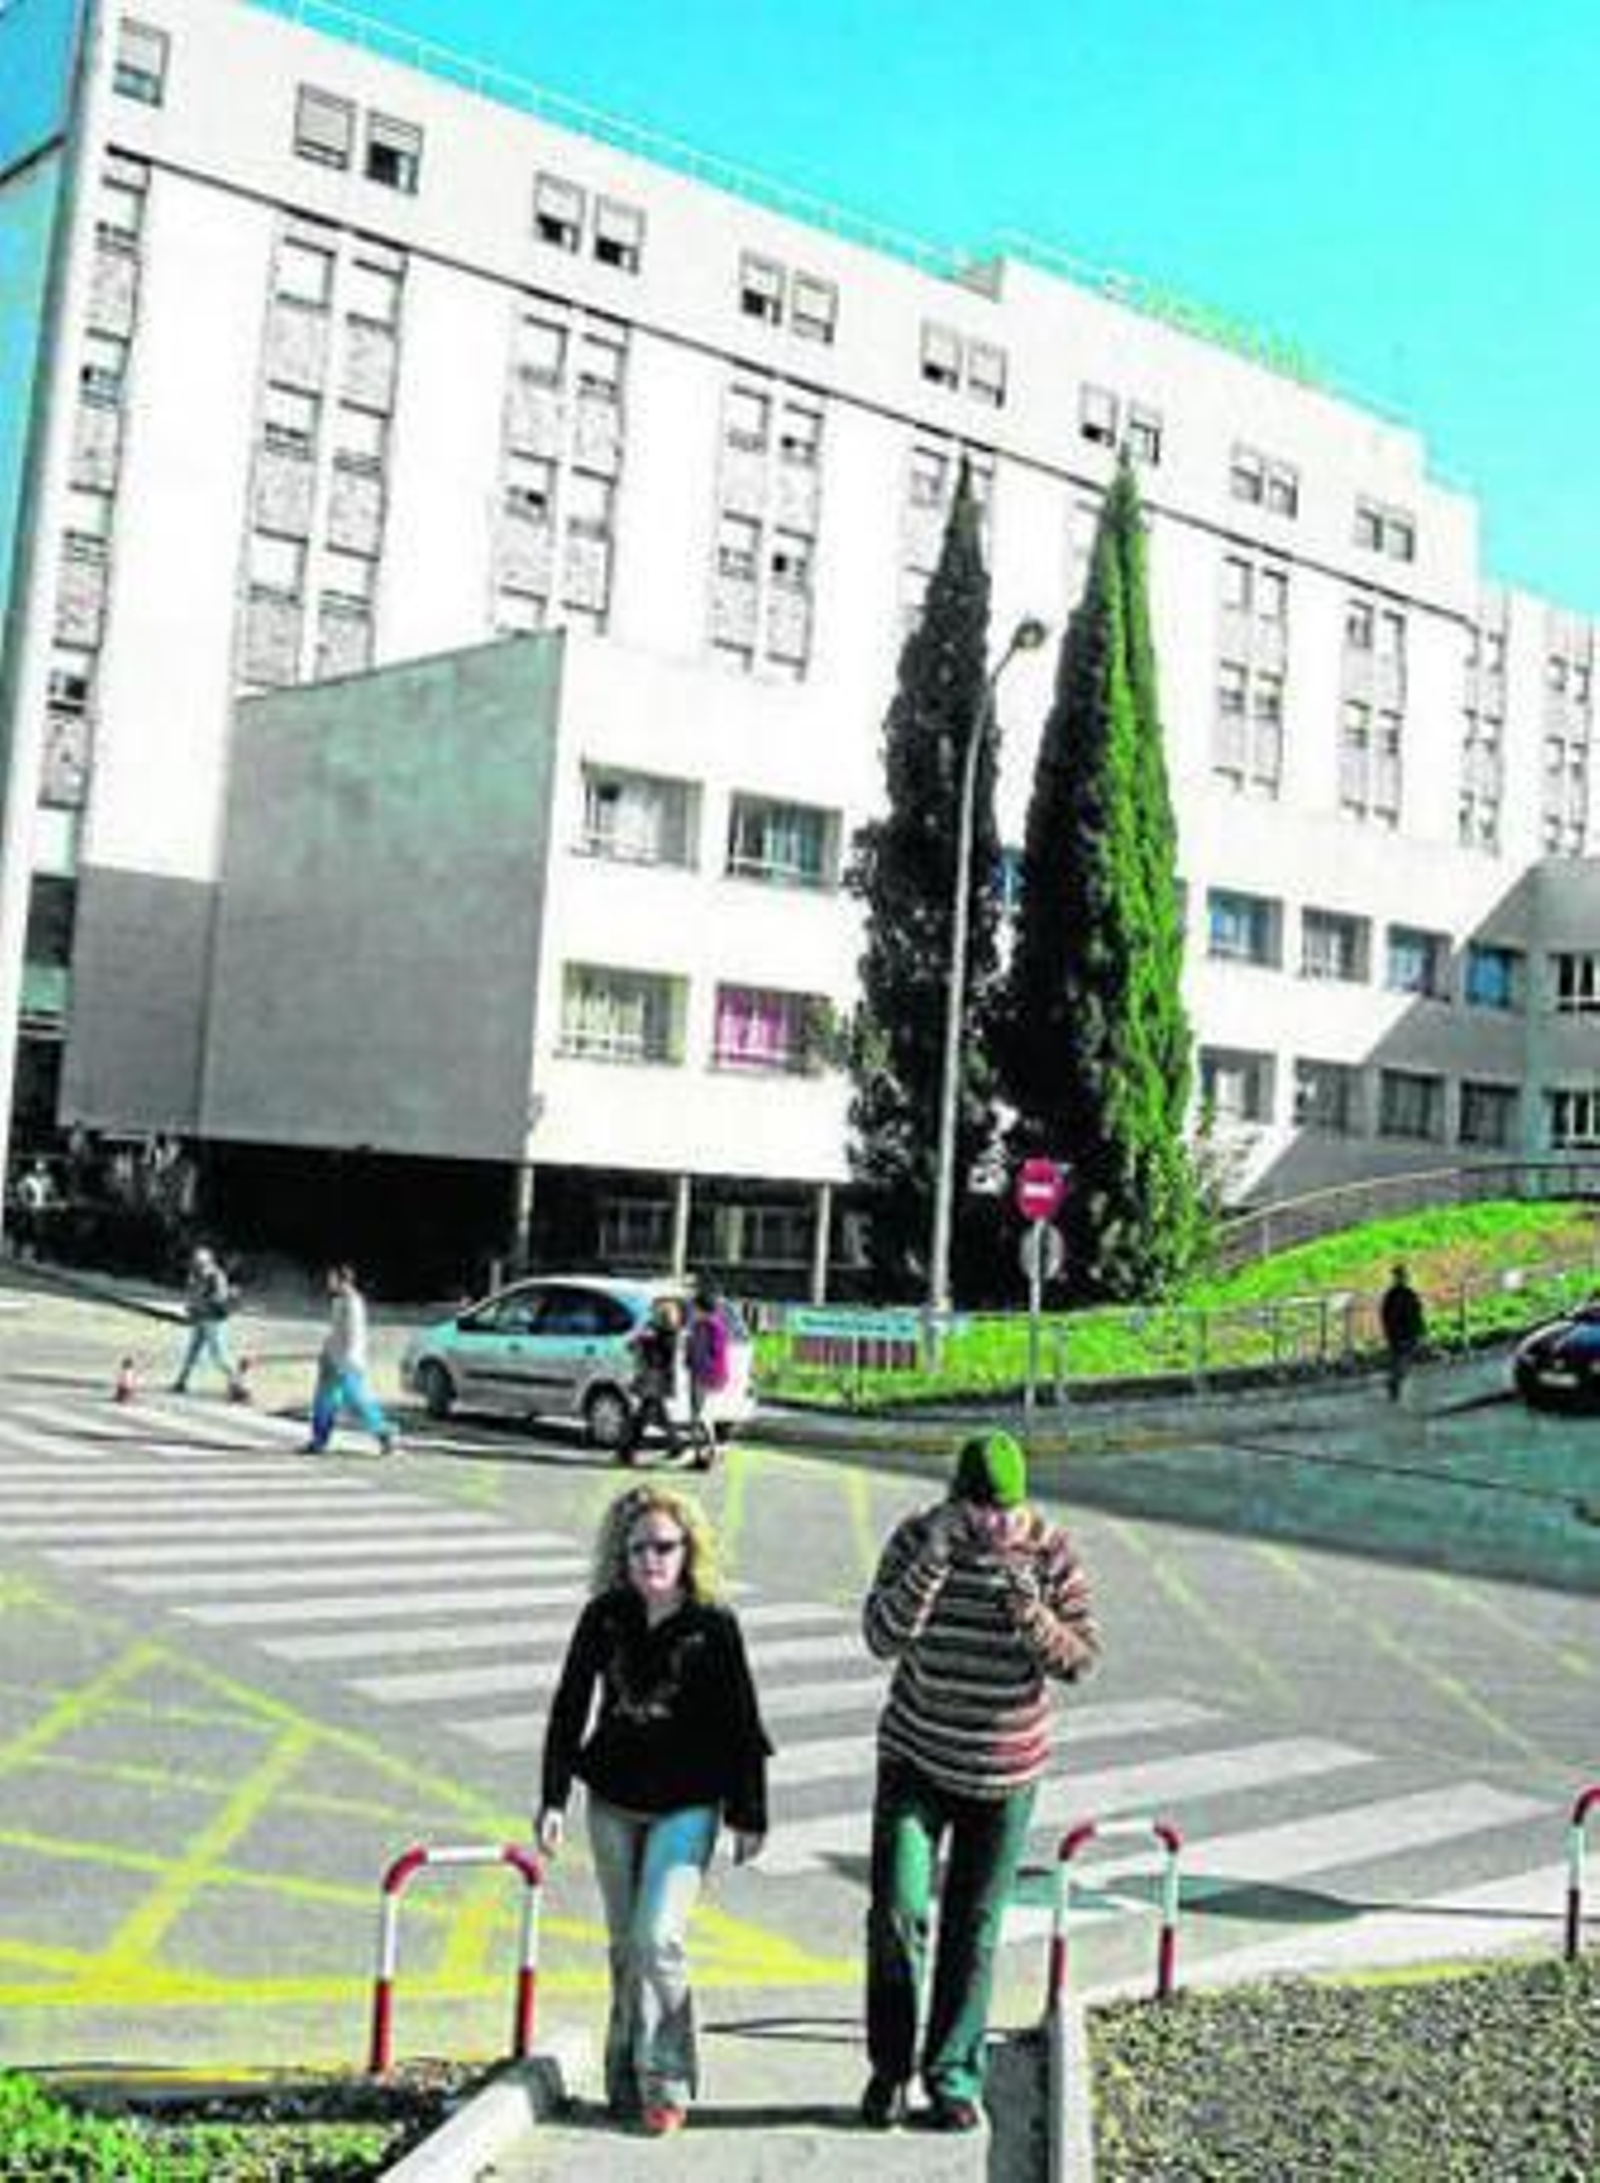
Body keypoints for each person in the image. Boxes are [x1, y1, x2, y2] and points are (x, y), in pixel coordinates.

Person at [859, 1430, 1099, 2135]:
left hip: (1004, 1771)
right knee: (898, 1911)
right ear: (955, 1501)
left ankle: (954, 2076)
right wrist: (933, 1562)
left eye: (1004, 1511)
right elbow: (881, 1634)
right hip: (916, 1755)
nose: (991, 1525)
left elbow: (1081, 1658)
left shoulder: (1051, 1551)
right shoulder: (918, 1539)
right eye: (977, 1509)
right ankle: (889, 2070)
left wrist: (1029, 1611)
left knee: (975, 1926)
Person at [537, 1484, 770, 2138]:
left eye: (664, 1546)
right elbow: (568, 1705)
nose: (650, 1559)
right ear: (622, 1554)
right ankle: (625, 2070)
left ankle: (666, 2078)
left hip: (688, 1803)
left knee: (656, 1937)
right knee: (623, 1946)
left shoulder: (713, 1624)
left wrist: (750, 1811)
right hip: (612, 1798)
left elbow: (741, 1721)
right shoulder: (604, 1616)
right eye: (637, 1547)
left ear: (687, 1548)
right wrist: (553, 1797)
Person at [303, 1263, 396, 1455]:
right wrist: (325, 1352)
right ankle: (319, 1441)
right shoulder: (338, 1301)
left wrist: (345, 1363)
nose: (328, 1282)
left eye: (331, 1278)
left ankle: (384, 1434)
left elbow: (354, 1336)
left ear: (342, 1280)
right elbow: (335, 1332)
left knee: (359, 1402)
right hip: (332, 1360)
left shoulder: (354, 1302)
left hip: (348, 1363)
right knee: (323, 1402)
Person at [171, 1245, 246, 1398]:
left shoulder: (216, 1276)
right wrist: (191, 1308)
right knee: (192, 1352)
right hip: (200, 1319)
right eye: (195, 1262)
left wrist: (200, 1305)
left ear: (208, 1262)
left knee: (218, 1356)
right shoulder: (194, 1275)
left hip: (213, 1321)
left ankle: (237, 1383)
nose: (196, 1265)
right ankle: (181, 1381)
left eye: (199, 1263)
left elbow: (219, 1299)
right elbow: (192, 1296)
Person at [619, 1295, 684, 1465]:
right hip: (652, 1375)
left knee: (643, 1415)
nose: (652, 1313)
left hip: (655, 1376)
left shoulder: (668, 1333)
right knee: (657, 1414)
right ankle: (676, 1445)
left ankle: (628, 1451)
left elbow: (661, 1353)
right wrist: (642, 1339)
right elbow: (631, 1345)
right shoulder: (655, 1329)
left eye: (655, 1311)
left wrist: (647, 1339)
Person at [684, 1285, 731, 1470]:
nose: (692, 1310)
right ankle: (705, 1454)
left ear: (700, 1307)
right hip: (711, 1375)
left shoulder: (705, 1326)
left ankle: (705, 1455)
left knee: (699, 1417)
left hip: (703, 1375)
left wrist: (690, 1361)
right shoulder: (716, 1324)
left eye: (694, 1307)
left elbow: (701, 1353)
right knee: (703, 1416)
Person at [1379, 1262, 1426, 1402]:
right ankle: (1394, 1386)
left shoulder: (1405, 1294)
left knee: (1402, 1363)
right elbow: (1387, 1317)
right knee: (1401, 1363)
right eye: (1401, 1276)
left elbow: (1417, 1313)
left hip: (1405, 1335)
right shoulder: (1395, 1295)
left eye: (1403, 1276)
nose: (1403, 1278)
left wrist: (1420, 1330)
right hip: (1401, 1336)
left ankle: (1394, 1385)